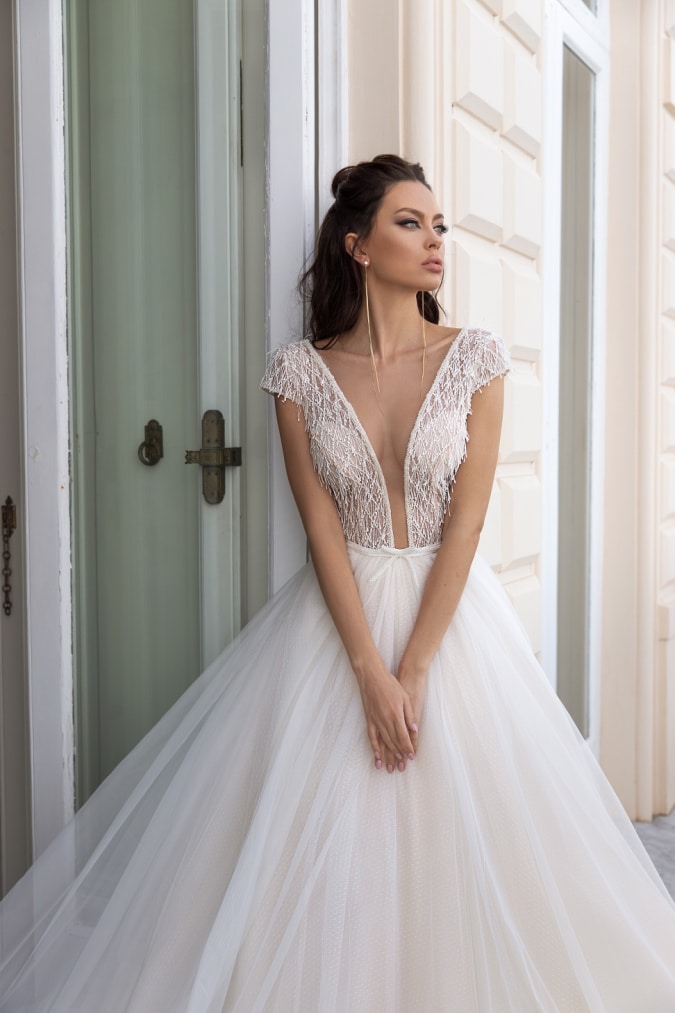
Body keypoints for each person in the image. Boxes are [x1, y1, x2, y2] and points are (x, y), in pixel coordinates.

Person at [1, 154, 674, 1011]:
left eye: (439, 225)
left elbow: (466, 523)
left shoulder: (477, 358)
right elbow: (320, 524)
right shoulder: (298, 373)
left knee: (471, 848)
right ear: (356, 245)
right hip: (335, 629)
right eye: (409, 222)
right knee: (322, 852)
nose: (434, 239)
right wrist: (366, 669)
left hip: (452, 627)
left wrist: (414, 669)